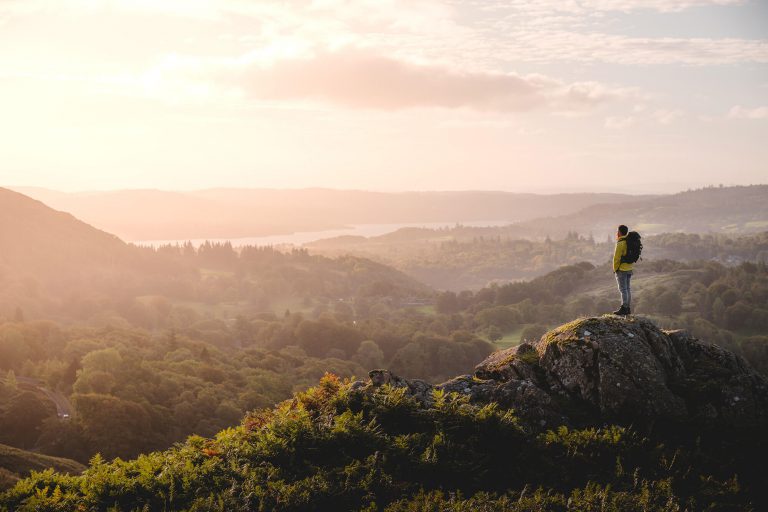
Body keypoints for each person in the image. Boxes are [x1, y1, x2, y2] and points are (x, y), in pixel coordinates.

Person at [612, 225, 633, 315]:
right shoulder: (629, 241)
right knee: (627, 289)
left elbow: (616, 258)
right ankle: (627, 308)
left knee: (623, 289)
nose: (617, 232)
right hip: (629, 268)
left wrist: (615, 268)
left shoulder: (620, 243)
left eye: (617, 231)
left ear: (620, 232)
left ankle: (624, 308)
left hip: (621, 269)